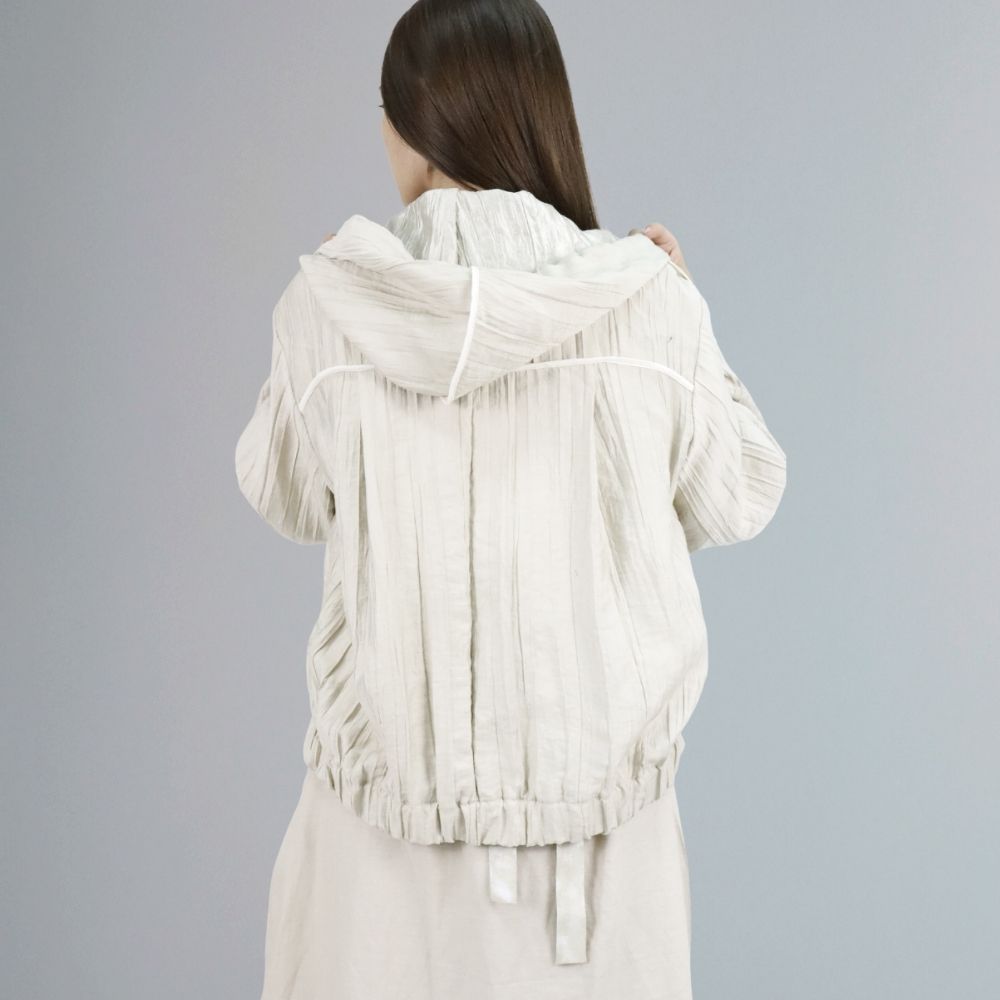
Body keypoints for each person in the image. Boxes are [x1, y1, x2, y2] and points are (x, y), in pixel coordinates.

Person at [234, 1, 787, 997]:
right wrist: (687, 307)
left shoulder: (332, 303)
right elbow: (736, 494)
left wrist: (328, 310)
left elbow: (284, 494)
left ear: (406, 123)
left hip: (378, 874)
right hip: (599, 885)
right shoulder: (644, 299)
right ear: (541, 115)